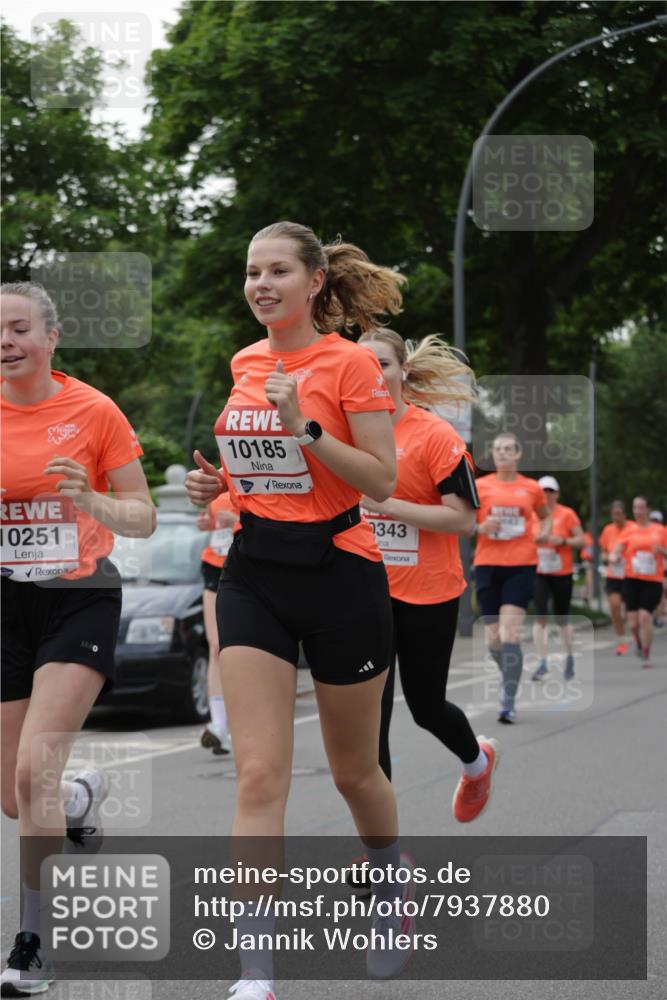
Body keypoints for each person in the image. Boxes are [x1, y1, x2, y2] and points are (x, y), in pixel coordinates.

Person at [185, 222, 415, 997]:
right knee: (257, 776)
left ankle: (389, 881)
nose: (261, 284)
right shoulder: (244, 362)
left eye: (277, 270)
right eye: (252, 271)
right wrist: (218, 485)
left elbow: (380, 480)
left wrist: (305, 428)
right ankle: (256, 973)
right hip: (254, 572)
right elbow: (260, 470)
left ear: (314, 281)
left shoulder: (349, 364)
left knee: (354, 772)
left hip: (341, 573)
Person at [1, 282, 155, 995]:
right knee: (16, 796)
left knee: (34, 771)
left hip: (79, 596)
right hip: (7, 603)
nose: (6, 341)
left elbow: (143, 514)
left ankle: (33, 945)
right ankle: (82, 800)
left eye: (18, 327)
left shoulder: (93, 410)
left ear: (51, 337)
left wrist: (90, 499)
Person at [357, 329, 499, 823]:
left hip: (427, 593)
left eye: (382, 364)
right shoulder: (345, 434)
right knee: (371, 719)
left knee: (425, 707)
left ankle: (477, 763)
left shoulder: (434, 436)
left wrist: (388, 506)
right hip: (364, 592)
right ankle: (381, 849)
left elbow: (463, 519)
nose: (373, 374)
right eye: (362, 366)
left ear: (404, 371)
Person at [473, 434, 551, 723]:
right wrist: (480, 527)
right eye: (498, 449)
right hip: (487, 565)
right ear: (492, 455)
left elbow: (545, 516)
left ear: (518, 455)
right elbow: (464, 519)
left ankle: (508, 700)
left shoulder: (531, 488)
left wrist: (543, 532)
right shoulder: (480, 486)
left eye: (508, 449)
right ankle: (510, 673)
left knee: (510, 633)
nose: (503, 453)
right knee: (493, 638)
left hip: (521, 564)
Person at [197, 491, 239, 755]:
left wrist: (237, 522)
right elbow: (211, 523)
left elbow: (274, 521)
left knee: (242, 650)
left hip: (245, 565)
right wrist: (207, 523)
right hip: (214, 565)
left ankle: (244, 723)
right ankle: (218, 725)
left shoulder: (255, 478)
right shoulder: (216, 483)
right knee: (216, 646)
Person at [531, 476, 585, 681]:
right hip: (539, 571)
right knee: (540, 617)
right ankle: (542, 663)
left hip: (562, 573)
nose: (546, 494)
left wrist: (561, 541)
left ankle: (569, 657)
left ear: (557, 494)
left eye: (550, 491)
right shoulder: (531, 514)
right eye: (543, 490)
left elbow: (581, 541)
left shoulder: (567, 514)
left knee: (562, 618)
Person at [610, 497, 667, 668]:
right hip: (632, 580)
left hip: (652, 580)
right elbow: (615, 551)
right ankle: (638, 642)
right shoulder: (629, 530)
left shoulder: (660, 530)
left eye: (641, 508)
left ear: (648, 509)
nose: (638, 511)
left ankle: (646, 652)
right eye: (635, 508)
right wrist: (614, 558)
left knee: (644, 617)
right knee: (633, 623)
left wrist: (662, 551)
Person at [599, 500, 630, 654]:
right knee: (615, 607)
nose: (616, 517)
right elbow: (603, 553)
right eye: (613, 514)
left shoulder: (632, 528)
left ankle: (635, 634)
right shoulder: (608, 530)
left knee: (630, 612)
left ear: (625, 514)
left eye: (618, 514)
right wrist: (610, 558)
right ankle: (621, 641)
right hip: (614, 574)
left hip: (630, 574)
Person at [649, 510, 665, 627]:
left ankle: (659, 616)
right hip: (647, 569)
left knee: (661, 593)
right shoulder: (644, 531)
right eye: (653, 520)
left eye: (656, 521)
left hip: (662, 568)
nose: (655, 523)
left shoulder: (664, 531)